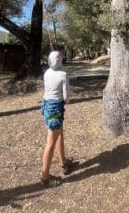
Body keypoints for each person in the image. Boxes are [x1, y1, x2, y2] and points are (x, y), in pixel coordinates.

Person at [40, 50, 73, 187]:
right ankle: (45, 177)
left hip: (46, 106)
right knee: (50, 143)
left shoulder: (46, 72)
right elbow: (66, 98)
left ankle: (63, 162)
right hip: (55, 109)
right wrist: (64, 101)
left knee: (60, 134)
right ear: (59, 61)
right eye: (60, 58)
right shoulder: (63, 74)